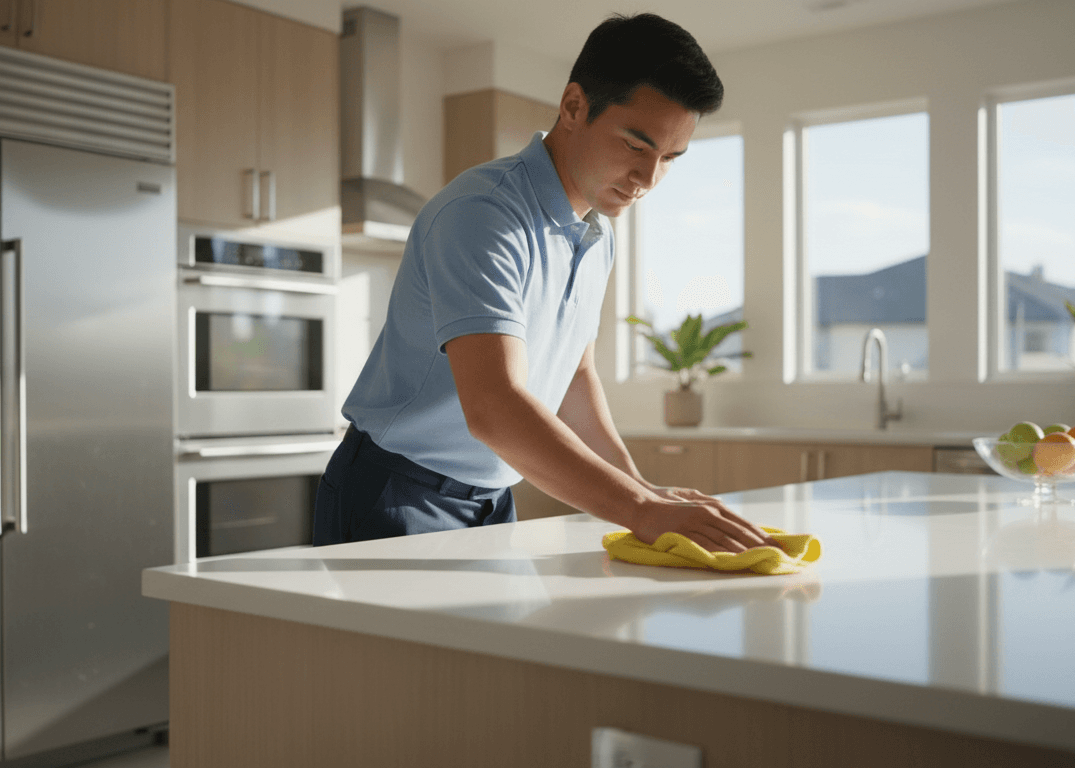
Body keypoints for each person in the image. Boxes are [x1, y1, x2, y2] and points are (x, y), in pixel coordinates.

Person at [314, 12, 780, 554]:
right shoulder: (484, 213)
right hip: (395, 493)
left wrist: (640, 487)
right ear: (574, 106)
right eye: (636, 146)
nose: (648, 179)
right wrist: (639, 508)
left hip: (491, 497)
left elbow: (574, 377)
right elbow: (494, 406)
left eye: (668, 159)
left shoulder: (597, 234)